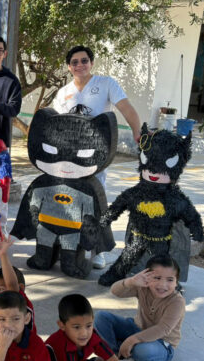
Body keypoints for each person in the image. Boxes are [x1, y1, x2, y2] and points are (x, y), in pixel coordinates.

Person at [52, 45, 143, 269]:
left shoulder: (106, 84)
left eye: (84, 60)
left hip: (96, 155)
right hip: (70, 157)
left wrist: (138, 132)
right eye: (75, 62)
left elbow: (126, 108)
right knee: (70, 200)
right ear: (69, 67)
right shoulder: (63, 93)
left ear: (91, 63)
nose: (80, 65)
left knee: (96, 202)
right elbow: (55, 123)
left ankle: (98, 251)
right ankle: (68, 246)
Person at [95, 255, 185, 361]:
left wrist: (132, 340)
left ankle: (127, 351)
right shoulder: (143, 287)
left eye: (170, 280)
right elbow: (115, 291)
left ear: (176, 282)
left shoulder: (177, 301)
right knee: (101, 317)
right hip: (137, 328)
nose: (162, 285)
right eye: (157, 278)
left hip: (161, 342)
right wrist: (131, 281)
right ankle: (114, 354)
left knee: (142, 351)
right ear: (147, 276)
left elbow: (163, 328)